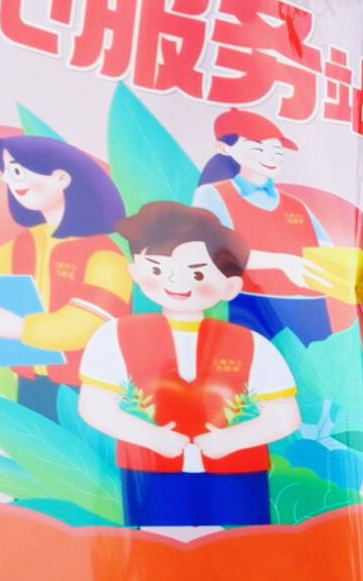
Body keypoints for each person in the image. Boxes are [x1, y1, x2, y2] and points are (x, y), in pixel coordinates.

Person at [77, 202, 299, 528]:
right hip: (152, 475)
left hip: (237, 473)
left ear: (231, 286)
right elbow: (95, 406)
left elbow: (285, 415)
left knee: (240, 548)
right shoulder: (114, 337)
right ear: (135, 272)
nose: (176, 282)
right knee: (159, 548)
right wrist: (151, 438)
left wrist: (231, 441)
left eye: (196, 273)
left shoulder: (254, 345)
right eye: (157, 269)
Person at [0, 135, 131, 418]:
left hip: (87, 385)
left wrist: (23, 329)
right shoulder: (29, 241)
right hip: (32, 380)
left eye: (16, 170)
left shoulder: (104, 254)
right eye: (6, 171)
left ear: (61, 178)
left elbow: (90, 321)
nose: (5, 178)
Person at [191, 108, 344, 345]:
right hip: (245, 304)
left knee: (310, 366)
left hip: (310, 310)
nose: (271, 157)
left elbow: (327, 251)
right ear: (224, 148)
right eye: (258, 148)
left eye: (277, 151)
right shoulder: (212, 194)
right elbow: (213, 252)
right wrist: (283, 262)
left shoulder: (296, 205)